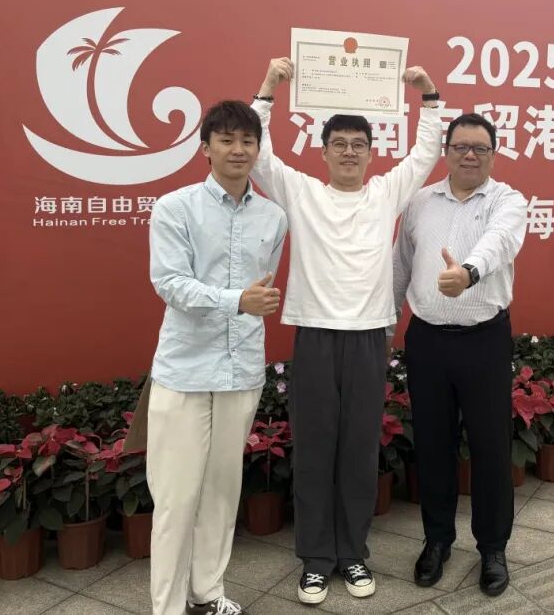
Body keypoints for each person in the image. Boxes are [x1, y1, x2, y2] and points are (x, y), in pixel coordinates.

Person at [250, 58, 442, 605]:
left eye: (359, 144)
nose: (350, 152)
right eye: (340, 144)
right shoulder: (302, 192)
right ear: (325, 151)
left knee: (358, 451)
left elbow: (425, 152)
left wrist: (429, 96)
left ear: (371, 153)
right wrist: (268, 89)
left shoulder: (385, 193)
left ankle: (353, 553)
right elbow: (261, 156)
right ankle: (315, 560)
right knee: (315, 449)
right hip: (314, 334)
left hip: (367, 338)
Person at [145, 100, 287, 615]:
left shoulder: (274, 217)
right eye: (226, 140)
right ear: (205, 148)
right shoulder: (175, 207)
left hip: (240, 369)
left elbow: (263, 286)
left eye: (247, 140)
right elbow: (169, 282)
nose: (238, 149)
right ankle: (166, 607)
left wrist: (248, 304)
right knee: (176, 498)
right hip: (184, 370)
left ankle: (207, 593)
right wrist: (236, 302)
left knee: (223, 492)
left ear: (258, 149)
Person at [392, 113, 527, 597]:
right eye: (461, 147)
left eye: (480, 148)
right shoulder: (420, 202)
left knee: (490, 448)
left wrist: (467, 272)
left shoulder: (507, 200)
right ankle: (437, 541)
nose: (470, 155)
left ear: (493, 153)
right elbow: (401, 266)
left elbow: (499, 242)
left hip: (483, 340)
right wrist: (386, 323)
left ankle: (492, 548)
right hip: (427, 340)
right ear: (445, 151)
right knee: (433, 445)